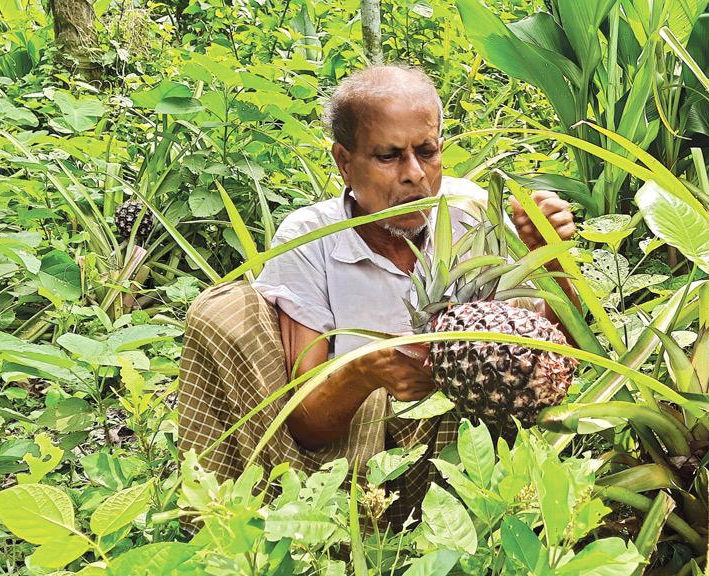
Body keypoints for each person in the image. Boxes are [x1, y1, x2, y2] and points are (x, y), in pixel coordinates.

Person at [177, 64, 578, 525]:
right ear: (344, 163)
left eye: (426, 152)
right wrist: (368, 371)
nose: (415, 176)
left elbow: (557, 356)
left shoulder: (472, 210)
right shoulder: (309, 236)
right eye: (389, 156)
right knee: (227, 310)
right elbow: (306, 425)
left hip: (463, 453)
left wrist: (550, 256)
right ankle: (226, 524)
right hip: (342, 468)